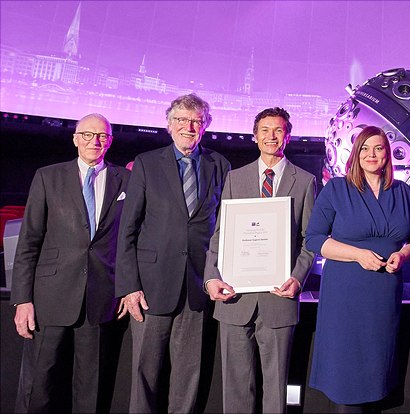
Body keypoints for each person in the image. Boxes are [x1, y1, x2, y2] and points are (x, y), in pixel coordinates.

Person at [115, 94, 231, 413]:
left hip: (198, 285)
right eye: (181, 120)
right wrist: (129, 286)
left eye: (195, 121)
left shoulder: (219, 165)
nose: (188, 126)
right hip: (150, 287)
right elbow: (128, 229)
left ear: (205, 126)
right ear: (169, 125)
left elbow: (226, 227)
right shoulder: (147, 163)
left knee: (188, 376)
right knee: (144, 374)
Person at [11, 113, 130, 412]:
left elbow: (133, 241)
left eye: (102, 136)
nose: (95, 141)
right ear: (75, 139)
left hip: (101, 300)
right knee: (42, 385)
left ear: (110, 141)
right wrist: (22, 300)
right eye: (87, 135)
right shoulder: (48, 177)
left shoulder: (126, 180)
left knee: (92, 391)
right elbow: (28, 242)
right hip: (50, 298)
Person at [203, 107, 315, 413]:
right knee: (236, 390)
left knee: (276, 391)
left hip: (280, 298)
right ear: (255, 137)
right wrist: (211, 277)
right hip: (234, 298)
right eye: (265, 130)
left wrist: (298, 277)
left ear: (287, 136)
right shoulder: (234, 179)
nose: (271, 136)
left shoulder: (305, 181)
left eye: (278, 130)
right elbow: (220, 235)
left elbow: (310, 240)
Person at [305, 126, 410, 412]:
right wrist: (357, 255)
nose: (371, 154)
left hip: (384, 295)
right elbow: (314, 239)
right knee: (346, 380)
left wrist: (403, 254)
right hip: (346, 296)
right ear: (355, 154)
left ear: (387, 154)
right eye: (365, 148)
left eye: (378, 148)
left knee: (379, 375)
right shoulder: (337, 189)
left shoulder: (403, 191)